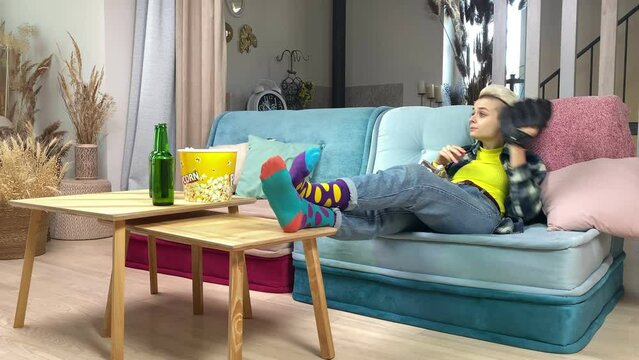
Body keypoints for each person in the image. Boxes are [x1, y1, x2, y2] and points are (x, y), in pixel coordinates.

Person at [259, 85, 551, 239]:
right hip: (445, 208)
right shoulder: (463, 154)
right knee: (386, 216)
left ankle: (311, 192)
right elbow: (418, 190)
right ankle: (303, 216)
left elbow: (526, 210)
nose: (472, 117)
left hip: (481, 214)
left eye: (483, 113)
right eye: (473, 111)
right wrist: (437, 163)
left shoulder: (525, 160)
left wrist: (516, 147)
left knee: (414, 178)